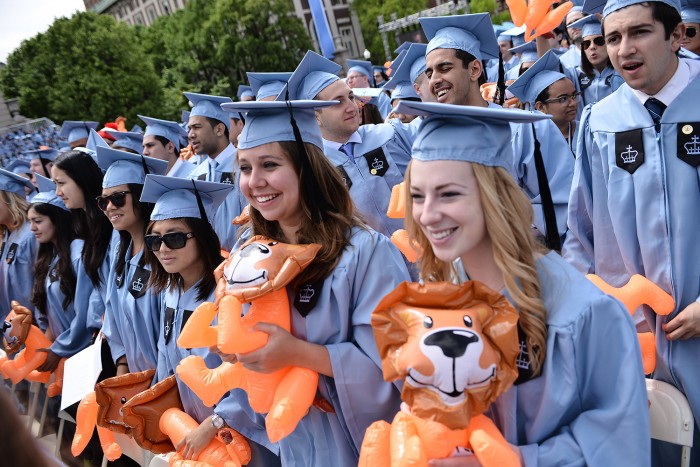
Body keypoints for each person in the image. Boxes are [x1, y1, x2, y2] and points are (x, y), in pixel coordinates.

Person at [397, 99, 650, 466]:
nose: (428, 214)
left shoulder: (582, 313)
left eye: (449, 193)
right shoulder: (441, 295)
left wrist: (507, 461)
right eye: (417, 196)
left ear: (493, 195)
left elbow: (620, 442)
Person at [218, 97, 410, 466]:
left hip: (358, 447)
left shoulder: (366, 253)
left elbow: (396, 369)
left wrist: (298, 354)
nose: (254, 182)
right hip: (295, 442)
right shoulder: (250, 254)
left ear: (307, 169)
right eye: (245, 168)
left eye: (270, 165)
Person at [564, 0, 700, 463]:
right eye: (612, 37)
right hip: (642, 343)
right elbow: (580, 236)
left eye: (639, 32)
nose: (624, 49)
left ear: (677, 34)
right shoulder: (600, 122)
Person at [420, 13, 573, 250]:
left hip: (530, 262)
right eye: (429, 73)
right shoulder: (434, 141)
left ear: (474, 70)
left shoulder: (527, 128)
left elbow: (563, 201)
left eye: (444, 68)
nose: (435, 80)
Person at [283, 51, 415, 239]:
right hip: (372, 265)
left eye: (351, 97)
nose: (352, 107)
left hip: (425, 258)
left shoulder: (388, 135)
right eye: (338, 102)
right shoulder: (313, 167)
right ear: (315, 115)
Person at [97, 145, 168, 374]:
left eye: (118, 198)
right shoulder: (121, 253)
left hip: (167, 383)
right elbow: (113, 317)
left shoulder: (165, 254)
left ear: (141, 196)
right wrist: (123, 362)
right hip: (135, 381)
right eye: (103, 201)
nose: (109, 207)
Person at [29, 175, 92, 374]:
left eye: (38, 221)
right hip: (63, 354)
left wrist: (61, 347)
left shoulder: (78, 252)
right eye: (30, 222)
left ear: (57, 219)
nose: (32, 228)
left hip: (82, 354)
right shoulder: (51, 256)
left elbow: (84, 313)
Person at [52, 148, 114, 335]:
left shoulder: (111, 225)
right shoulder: (86, 226)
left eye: (61, 183)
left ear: (82, 180)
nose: (57, 192)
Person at [185, 92, 247, 251]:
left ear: (219, 129)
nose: (191, 135)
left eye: (197, 127)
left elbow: (253, 222)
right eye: (189, 128)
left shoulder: (244, 167)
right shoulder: (195, 175)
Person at [508, 51, 580, 149]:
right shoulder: (529, 144)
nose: (573, 103)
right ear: (541, 107)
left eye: (574, 96)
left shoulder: (586, 132)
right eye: (563, 99)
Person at [0, 168, 36, 319]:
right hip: (11, 326)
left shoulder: (31, 235)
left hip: (31, 326)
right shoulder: (8, 235)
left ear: (11, 200)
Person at [567, 14, 624, 108]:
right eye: (586, 44)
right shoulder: (576, 75)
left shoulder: (624, 73)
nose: (592, 47)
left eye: (599, 41)